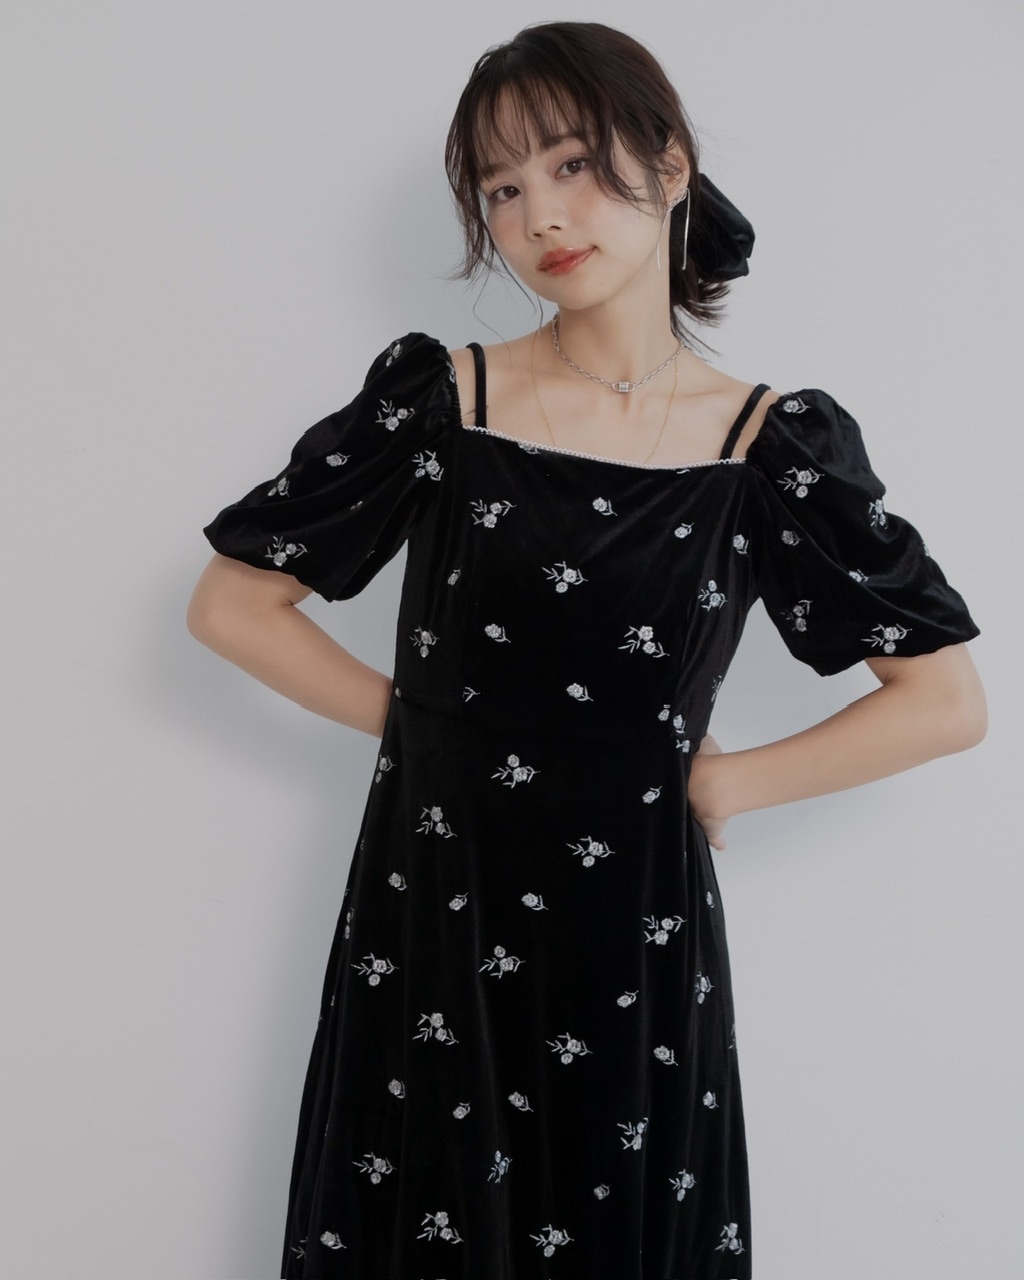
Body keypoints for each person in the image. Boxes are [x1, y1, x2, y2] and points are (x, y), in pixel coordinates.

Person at [187, 20, 985, 1280]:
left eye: (569, 164)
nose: (538, 214)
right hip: (438, 899)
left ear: (668, 166)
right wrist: (431, 726)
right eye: (501, 189)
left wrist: (725, 781)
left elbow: (943, 698)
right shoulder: (443, 403)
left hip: (638, 928)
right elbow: (232, 603)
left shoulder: (765, 447)